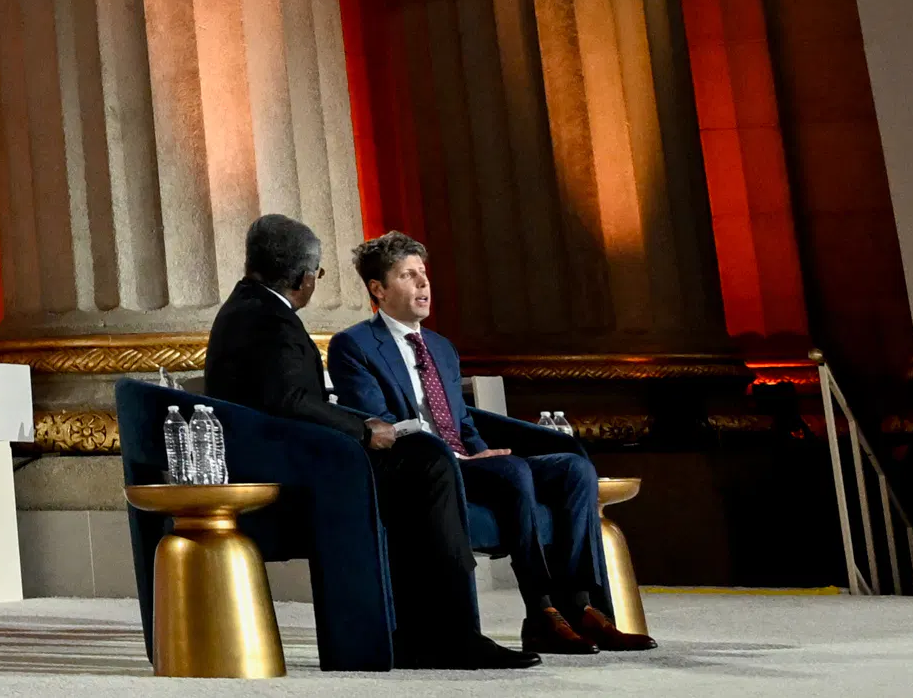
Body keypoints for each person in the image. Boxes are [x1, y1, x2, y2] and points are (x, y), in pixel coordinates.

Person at [203, 214, 533, 671]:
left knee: (422, 462)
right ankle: (453, 634)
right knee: (429, 462)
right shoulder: (269, 320)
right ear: (303, 278)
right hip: (293, 470)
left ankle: (420, 633)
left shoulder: (251, 308)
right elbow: (289, 399)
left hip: (289, 456)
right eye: (317, 276)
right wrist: (365, 429)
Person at [331, 232, 653, 655]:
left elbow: (462, 421)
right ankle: (541, 612)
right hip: (424, 465)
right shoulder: (354, 345)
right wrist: (466, 456)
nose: (424, 285)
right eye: (408, 276)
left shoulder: (442, 348)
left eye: (424, 275)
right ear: (378, 289)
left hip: (467, 458)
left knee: (575, 469)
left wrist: (479, 449)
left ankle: (578, 606)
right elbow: (383, 424)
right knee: (512, 469)